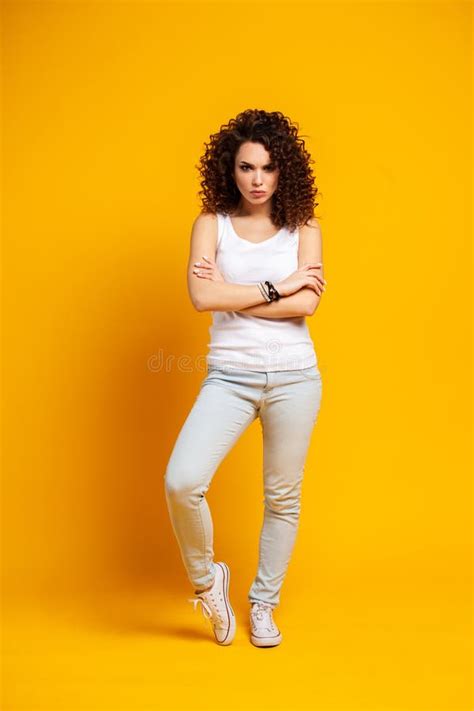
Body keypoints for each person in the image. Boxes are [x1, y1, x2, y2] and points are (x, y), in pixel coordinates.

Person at [164, 108, 326, 647]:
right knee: (182, 481)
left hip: (294, 379)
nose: (257, 180)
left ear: (285, 173)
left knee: (282, 497)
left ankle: (262, 604)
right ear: (228, 170)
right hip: (228, 378)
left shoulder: (305, 228)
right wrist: (278, 288)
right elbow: (202, 298)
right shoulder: (211, 226)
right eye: (246, 168)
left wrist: (239, 295)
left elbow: (310, 305)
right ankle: (210, 586)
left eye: (268, 168)